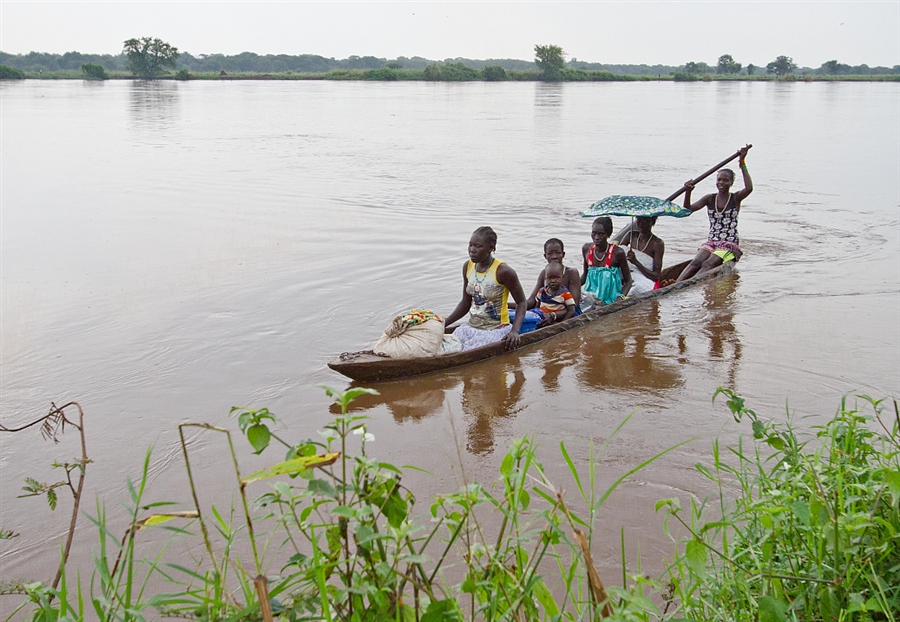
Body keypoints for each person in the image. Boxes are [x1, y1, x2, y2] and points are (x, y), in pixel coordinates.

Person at [677, 146, 753, 281]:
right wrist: (688, 191)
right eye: (719, 180)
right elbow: (687, 209)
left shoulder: (735, 198)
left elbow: (749, 188)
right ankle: (677, 283)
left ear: (731, 183)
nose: (721, 183)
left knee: (708, 264)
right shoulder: (710, 199)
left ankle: (689, 285)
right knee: (695, 263)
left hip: (729, 244)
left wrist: (742, 163)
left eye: (725, 180)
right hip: (712, 242)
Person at [444, 226, 527, 351]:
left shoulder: (504, 271)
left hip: (495, 330)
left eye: (478, 246)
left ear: (491, 248)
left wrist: (515, 331)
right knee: (446, 346)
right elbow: (466, 303)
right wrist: (446, 322)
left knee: (465, 352)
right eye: (470, 245)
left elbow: (522, 302)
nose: (472, 250)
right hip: (471, 327)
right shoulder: (468, 266)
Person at [581, 216, 632, 305]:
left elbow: (628, 281)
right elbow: (585, 276)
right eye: (594, 233)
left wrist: (621, 298)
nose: (596, 237)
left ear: (608, 234)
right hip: (590, 299)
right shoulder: (586, 249)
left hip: (611, 300)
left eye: (601, 234)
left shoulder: (618, 253)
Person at [525, 238, 582, 310]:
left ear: (563, 254)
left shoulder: (571, 273)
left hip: (568, 312)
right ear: (545, 256)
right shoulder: (544, 273)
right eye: (550, 253)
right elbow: (532, 301)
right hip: (549, 310)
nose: (554, 256)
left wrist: (554, 315)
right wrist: (509, 305)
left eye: (558, 253)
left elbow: (574, 304)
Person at [526, 261, 576, 327]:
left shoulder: (565, 293)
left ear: (562, 277)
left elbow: (571, 310)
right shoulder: (542, 291)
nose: (553, 281)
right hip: (543, 316)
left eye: (556, 277)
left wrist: (562, 323)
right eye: (550, 278)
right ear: (545, 278)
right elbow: (537, 306)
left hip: (556, 319)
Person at [624, 216, 665, 294]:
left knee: (635, 288)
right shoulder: (631, 235)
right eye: (639, 220)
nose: (642, 224)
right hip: (630, 275)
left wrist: (635, 262)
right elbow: (618, 256)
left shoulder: (657, 243)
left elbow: (655, 276)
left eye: (646, 221)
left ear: (652, 222)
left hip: (647, 280)